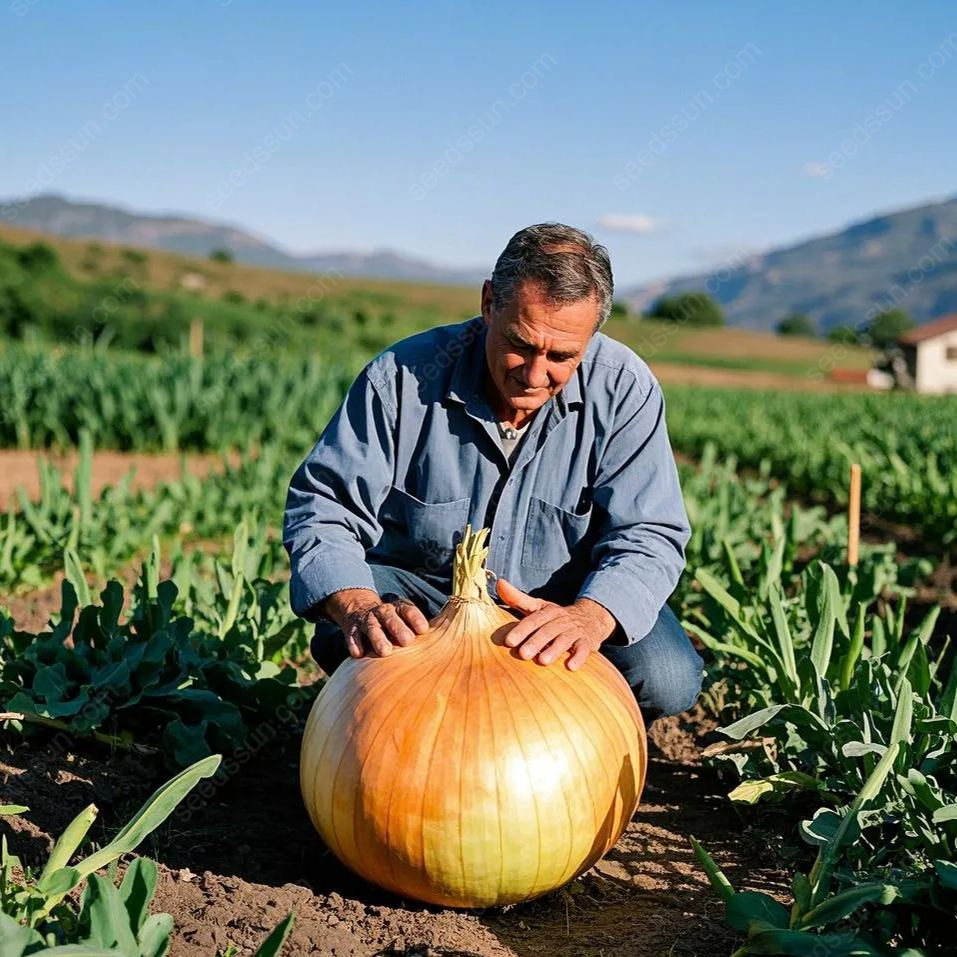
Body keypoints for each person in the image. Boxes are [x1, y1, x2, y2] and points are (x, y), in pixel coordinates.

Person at [283, 223, 702, 720]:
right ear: (488, 303)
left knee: (668, 679)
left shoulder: (625, 389)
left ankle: (560, 731)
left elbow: (650, 532)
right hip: (430, 594)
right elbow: (325, 504)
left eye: (562, 356)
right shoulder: (400, 377)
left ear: (592, 337)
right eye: (520, 344)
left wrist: (590, 616)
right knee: (346, 625)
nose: (534, 373)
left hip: (563, 599)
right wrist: (356, 605)